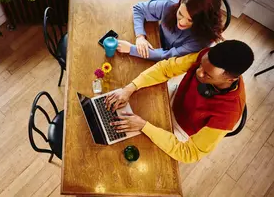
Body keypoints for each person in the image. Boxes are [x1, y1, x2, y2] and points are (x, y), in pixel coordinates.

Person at [105, 40, 254, 163]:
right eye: (201, 65)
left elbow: (190, 153)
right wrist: (130, 88)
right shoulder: (207, 56)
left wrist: (144, 125)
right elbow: (166, 68)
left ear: (230, 80)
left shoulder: (229, 114)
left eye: (207, 75)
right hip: (174, 96)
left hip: (181, 131)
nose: (198, 72)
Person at [117, 0, 224, 61]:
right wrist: (140, 36)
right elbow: (139, 9)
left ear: (202, 22)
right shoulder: (170, 5)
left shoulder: (202, 40)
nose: (181, 22)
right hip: (155, 41)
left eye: (190, 20)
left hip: (172, 60)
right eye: (180, 14)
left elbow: (169, 56)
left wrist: (132, 49)